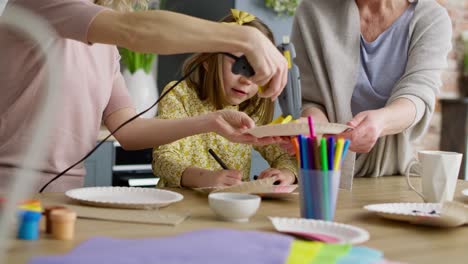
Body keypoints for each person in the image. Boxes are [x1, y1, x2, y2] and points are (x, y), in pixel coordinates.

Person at [0, 0, 288, 192]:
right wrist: (244, 38)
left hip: (65, 194)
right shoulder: (41, 2)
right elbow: (135, 31)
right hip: (9, 188)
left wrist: (212, 121)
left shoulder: (104, 45)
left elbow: (128, 129)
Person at [289, 0, 452, 188]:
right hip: (323, 174)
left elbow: (418, 94)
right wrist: (311, 128)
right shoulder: (312, 10)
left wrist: (380, 122)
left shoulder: (431, 17)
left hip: (389, 176)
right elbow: (310, 100)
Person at [152, 10, 297, 188]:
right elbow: (162, 159)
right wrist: (203, 178)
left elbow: (283, 155)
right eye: (239, 65)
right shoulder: (180, 95)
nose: (246, 80)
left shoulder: (251, 107)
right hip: (180, 203)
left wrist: (285, 174)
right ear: (208, 61)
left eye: (256, 70)